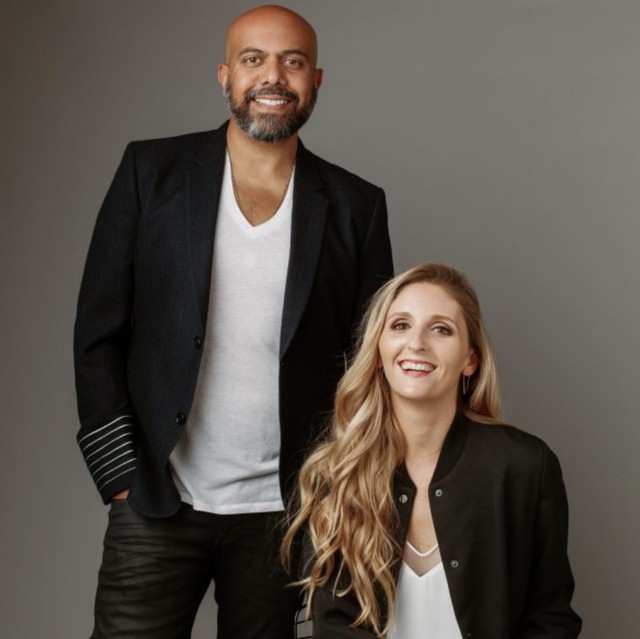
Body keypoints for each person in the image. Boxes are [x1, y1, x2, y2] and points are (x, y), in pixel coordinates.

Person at [73, 5, 393, 638]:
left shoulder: (356, 206)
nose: (273, 76)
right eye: (253, 60)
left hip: (284, 513)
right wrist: (120, 477)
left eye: (292, 62)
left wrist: (337, 491)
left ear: (315, 80)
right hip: (157, 496)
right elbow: (97, 332)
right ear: (225, 76)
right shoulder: (150, 173)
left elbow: (369, 365)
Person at [283, 263, 581, 639]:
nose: (417, 343)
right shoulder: (338, 471)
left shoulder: (524, 467)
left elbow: (551, 618)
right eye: (400, 325)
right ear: (378, 350)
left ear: (470, 359)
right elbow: (333, 626)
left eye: (441, 329)